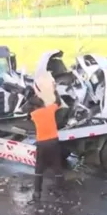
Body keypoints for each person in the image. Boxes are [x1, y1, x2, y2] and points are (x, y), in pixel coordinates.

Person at [30, 72, 64, 202]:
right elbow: (58, 102)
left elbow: (26, 110)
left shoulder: (34, 114)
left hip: (42, 144)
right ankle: (59, 189)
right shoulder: (50, 109)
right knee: (57, 166)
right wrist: (54, 91)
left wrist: (33, 95)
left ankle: (37, 193)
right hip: (53, 142)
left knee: (39, 168)